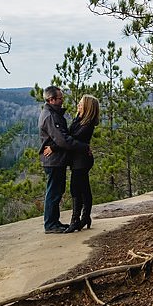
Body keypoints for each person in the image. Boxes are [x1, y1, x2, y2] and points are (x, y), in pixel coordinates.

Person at [38, 86, 88, 234]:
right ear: (51, 99)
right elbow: (62, 140)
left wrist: (53, 146)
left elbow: (60, 137)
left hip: (56, 158)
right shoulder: (50, 116)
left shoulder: (53, 114)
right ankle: (50, 224)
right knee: (53, 192)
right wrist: (83, 146)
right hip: (53, 161)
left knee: (56, 191)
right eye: (60, 98)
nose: (62, 100)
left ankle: (54, 221)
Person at [66, 94, 99, 231]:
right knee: (83, 188)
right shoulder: (79, 120)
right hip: (78, 160)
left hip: (82, 160)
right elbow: (70, 135)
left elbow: (72, 138)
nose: (78, 105)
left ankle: (77, 219)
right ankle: (84, 217)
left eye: (81, 103)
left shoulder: (88, 123)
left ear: (87, 107)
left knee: (76, 188)